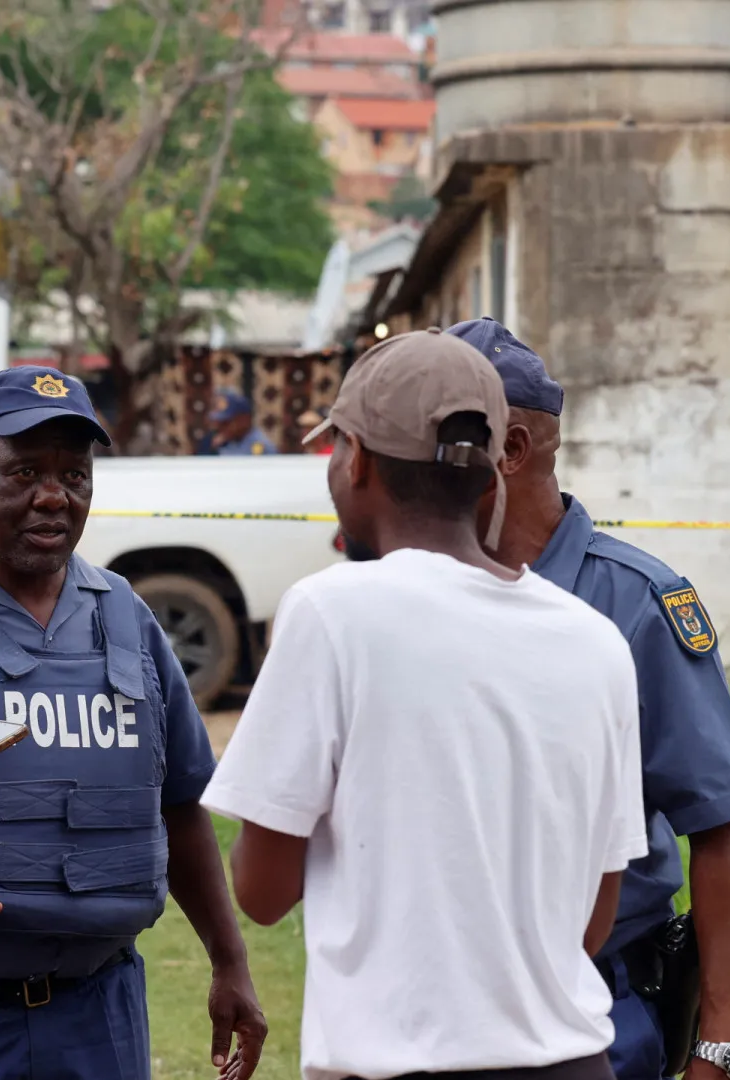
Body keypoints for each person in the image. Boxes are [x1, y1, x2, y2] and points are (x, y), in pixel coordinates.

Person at [201, 330, 646, 1080]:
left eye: (338, 445)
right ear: (491, 473)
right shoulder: (597, 641)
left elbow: (263, 892)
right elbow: (591, 919)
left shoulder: (330, 613)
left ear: (359, 462)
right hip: (574, 1062)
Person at [0, 366, 267, 1080]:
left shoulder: (128, 620)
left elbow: (179, 806)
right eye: (23, 472)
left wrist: (230, 963)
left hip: (100, 1018)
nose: (53, 496)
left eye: (75, 475)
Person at [447, 317, 730, 1080]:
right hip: (443, 1002)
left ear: (512, 450)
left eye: (438, 441)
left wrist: (721, 1045)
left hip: (599, 1003)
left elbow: (718, 823)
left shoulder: (634, 604)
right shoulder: (420, 594)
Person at [208, 389, 277, 456]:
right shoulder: (223, 443)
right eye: (219, 423)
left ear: (244, 420)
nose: (219, 427)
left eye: (225, 423)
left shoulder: (262, 448)